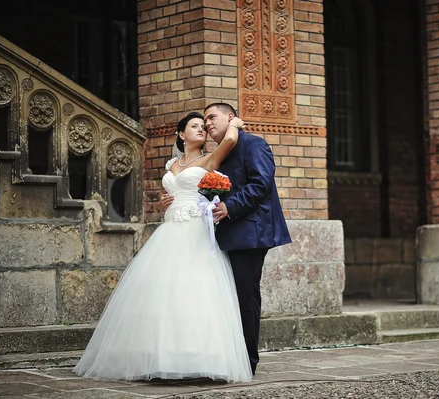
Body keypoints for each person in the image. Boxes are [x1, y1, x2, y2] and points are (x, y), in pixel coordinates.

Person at [73, 112, 253, 382]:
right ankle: (161, 357)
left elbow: (228, 140)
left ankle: (199, 360)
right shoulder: (172, 163)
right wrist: (163, 199)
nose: (202, 130)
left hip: (195, 230)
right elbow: (173, 189)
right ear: (181, 134)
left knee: (194, 289)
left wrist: (235, 124)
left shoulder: (208, 159)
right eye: (195, 126)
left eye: (204, 126)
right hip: (170, 230)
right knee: (163, 291)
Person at [160, 103, 292, 375]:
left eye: (211, 118)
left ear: (230, 118)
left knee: (245, 298)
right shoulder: (221, 152)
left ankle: (247, 361)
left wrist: (230, 207)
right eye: (203, 121)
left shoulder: (253, 145)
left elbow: (261, 184)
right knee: (222, 299)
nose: (207, 124)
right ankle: (220, 356)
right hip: (221, 234)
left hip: (250, 234)